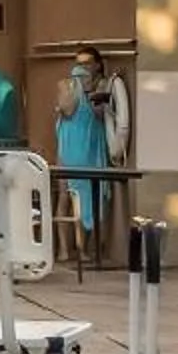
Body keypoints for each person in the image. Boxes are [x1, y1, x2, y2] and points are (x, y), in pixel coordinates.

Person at [54, 47, 121, 254]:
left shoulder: (103, 85)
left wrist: (91, 92)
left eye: (87, 63)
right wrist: (78, 88)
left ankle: (83, 249)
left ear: (98, 64)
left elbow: (101, 114)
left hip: (92, 146)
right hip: (70, 145)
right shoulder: (66, 84)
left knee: (92, 196)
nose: (82, 67)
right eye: (78, 63)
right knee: (66, 196)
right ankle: (65, 250)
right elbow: (67, 109)